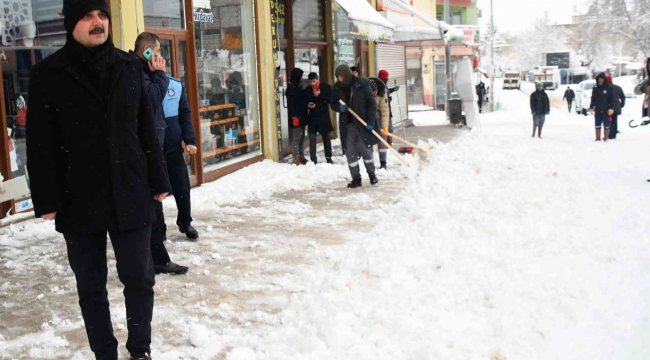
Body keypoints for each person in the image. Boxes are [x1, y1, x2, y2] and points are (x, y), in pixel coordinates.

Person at [26, 1, 172, 359]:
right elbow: (39, 142)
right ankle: (104, 353)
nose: (98, 23)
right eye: (89, 16)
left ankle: (140, 350)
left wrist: (159, 179)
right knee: (90, 286)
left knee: (139, 279)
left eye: (103, 15)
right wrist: (46, 198)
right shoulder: (49, 74)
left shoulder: (130, 67)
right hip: (78, 196)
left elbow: (146, 129)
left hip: (131, 189)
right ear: (72, 23)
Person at [131, 33, 189, 275]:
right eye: (156, 52)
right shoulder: (138, 72)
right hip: (143, 151)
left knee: (154, 204)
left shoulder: (141, 71)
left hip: (151, 148)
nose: (160, 58)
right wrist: (160, 74)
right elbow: (150, 101)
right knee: (151, 207)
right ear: (146, 51)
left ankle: (155, 258)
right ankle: (153, 260)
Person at [331, 64, 379, 188]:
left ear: (347, 75)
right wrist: (338, 108)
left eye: (341, 76)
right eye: (338, 77)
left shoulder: (362, 84)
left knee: (366, 151)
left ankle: (372, 174)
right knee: (350, 152)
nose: (339, 79)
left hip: (362, 124)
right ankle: (356, 179)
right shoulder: (336, 88)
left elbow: (371, 103)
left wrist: (370, 122)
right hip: (348, 125)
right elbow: (333, 103)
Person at [304, 72, 334, 164]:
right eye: (310, 82)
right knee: (312, 138)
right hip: (312, 117)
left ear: (318, 80)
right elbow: (304, 102)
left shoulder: (326, 87)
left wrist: (319, 96)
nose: (312, 83)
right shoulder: (307, 90)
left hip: (323, 116)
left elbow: (330, 100)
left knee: (326, 138)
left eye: (314, 81)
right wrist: (309, 105)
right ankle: (313, 159)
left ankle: (328, 157)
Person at [286, 68, 308, 165]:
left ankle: (301, 155)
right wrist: (293, 116)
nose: (302, 78)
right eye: (300, 76)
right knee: (297, 136)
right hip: (296, 117)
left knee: (302, 135)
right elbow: (291, 104)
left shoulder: (298, 86)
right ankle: (295, 157)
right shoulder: (291, 88)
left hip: (302, 115)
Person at [369, 77, 391, 169]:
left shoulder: (382, 93)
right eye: (371, 93)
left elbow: (385, 112)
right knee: (368, 141)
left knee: (382, 140)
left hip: (379, 117)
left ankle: (383, 162)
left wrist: (384, 127)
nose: (373, 94)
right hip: (368, 119)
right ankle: (369, 163)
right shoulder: (364, 93)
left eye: (374, 92)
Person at [589, 72, 615, 142]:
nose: (600, 80)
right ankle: (597, 137)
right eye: (599, 79)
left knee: (607, 124)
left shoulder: (608, 88)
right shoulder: (595, 88)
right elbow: (593, 98)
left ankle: (606, 137)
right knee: (597, 124)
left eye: (602, 79)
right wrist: (591, 107)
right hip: (597, 109)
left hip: (606, 110)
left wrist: (611, 108)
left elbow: (612, 99)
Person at [378, 70, 398, 146]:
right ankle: (386, 146)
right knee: (386, 130)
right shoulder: (379, 86)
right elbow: (381, 98)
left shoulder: (384, 85)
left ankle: (389, 145)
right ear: (383, 78)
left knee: (390, 130)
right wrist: (387, 100)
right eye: (386, 77)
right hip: (383, 113)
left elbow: (387, 92)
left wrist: (393, 89)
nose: (387, 79)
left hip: (388, 111)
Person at [606, 75, 625, 140]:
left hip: (608, 107)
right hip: (616, 107)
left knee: (608, 120)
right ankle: (614, 133)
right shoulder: (618, 87)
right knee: (614, 120)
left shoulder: (605, 88)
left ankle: (609, 133)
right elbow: (623, 97)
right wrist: (621, 105)